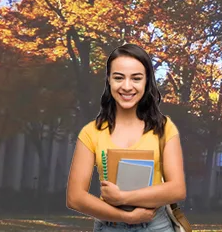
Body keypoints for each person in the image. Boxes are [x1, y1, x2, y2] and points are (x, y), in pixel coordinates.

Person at [66, 44, 186, 231]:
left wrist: (122, 198)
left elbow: (177, 189)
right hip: (109, 225)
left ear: (146, 81)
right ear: (109, 81)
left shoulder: (164, 128)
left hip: (155, 225)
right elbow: (75, 197)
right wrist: (125, 216)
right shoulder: (91, 132)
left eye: (136, 78)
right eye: (118, 78)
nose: (127, 86)